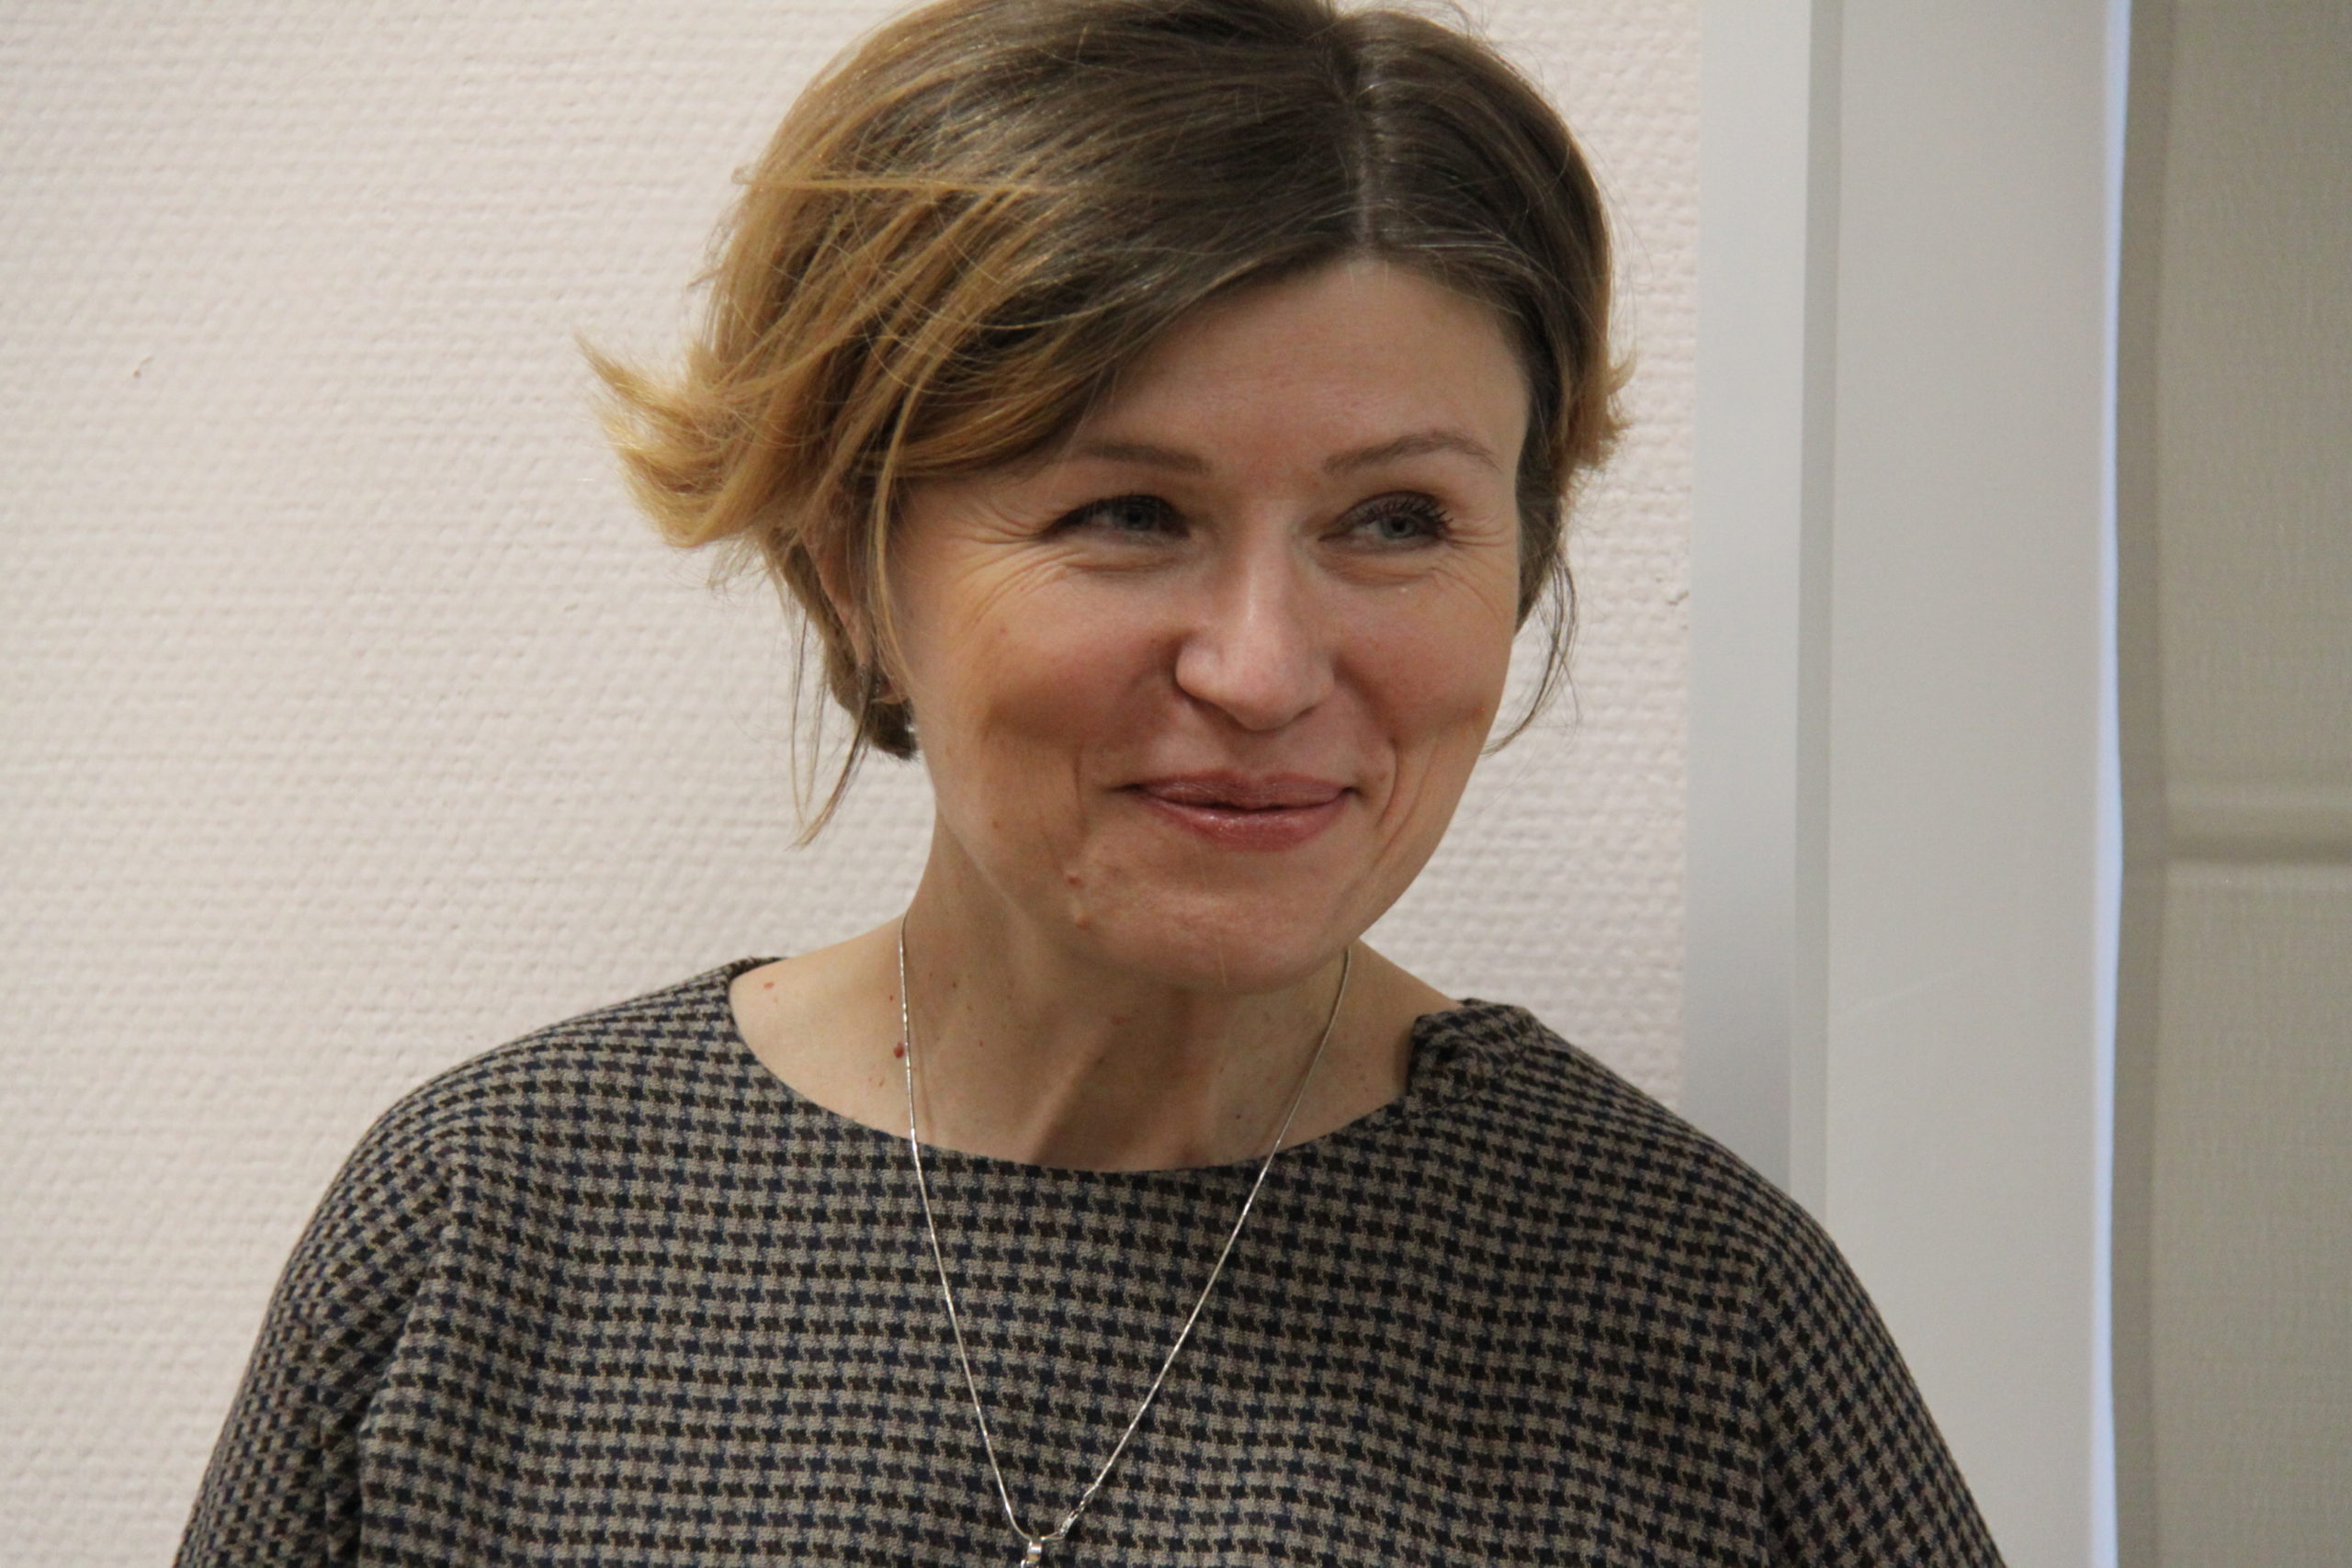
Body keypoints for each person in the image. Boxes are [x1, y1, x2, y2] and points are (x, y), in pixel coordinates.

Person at [178, 0, 2004, 1562]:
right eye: (1126, 512)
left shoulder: (1697, 1319)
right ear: (848, 563)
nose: (1262, 668)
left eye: (1395, 520)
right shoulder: (487, 1230)